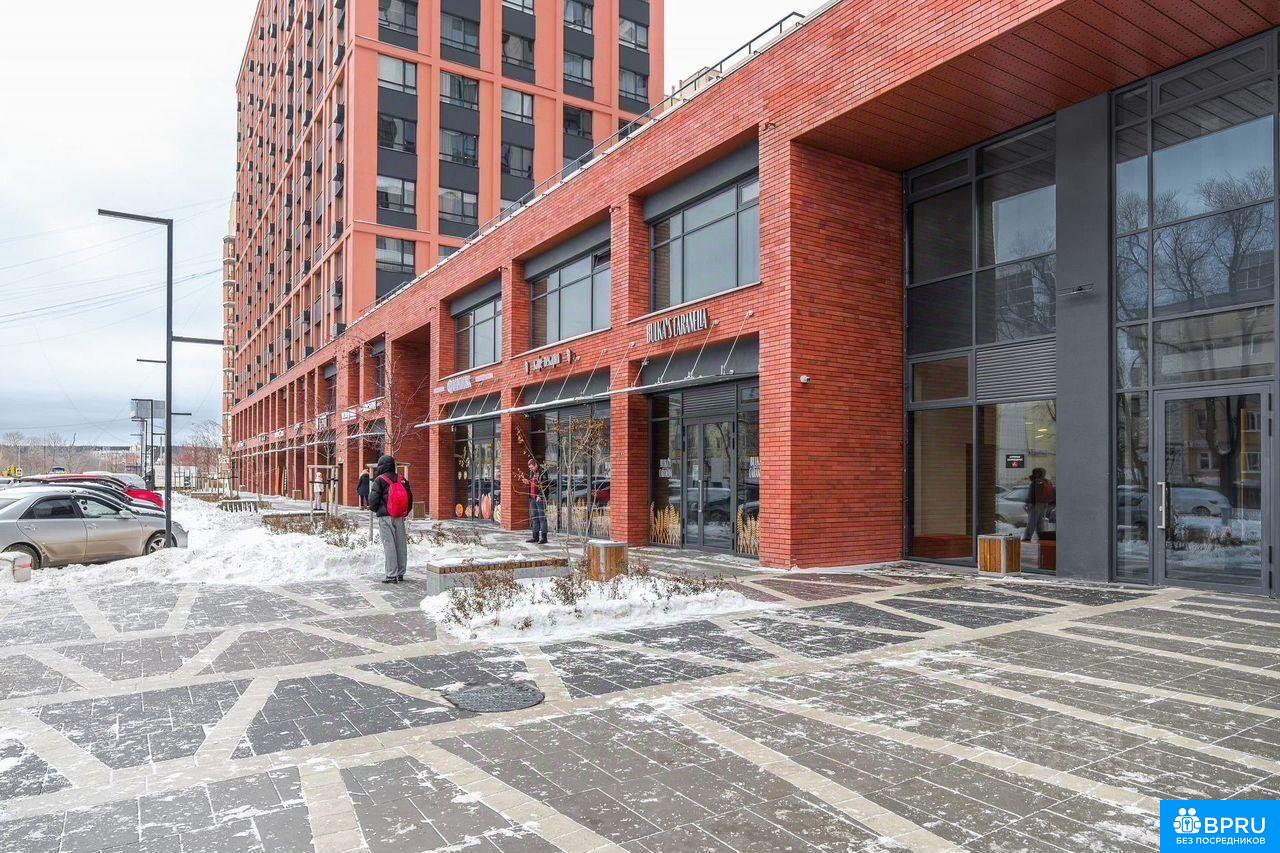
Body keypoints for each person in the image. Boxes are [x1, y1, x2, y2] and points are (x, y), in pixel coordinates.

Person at [367, 454, 412, 583]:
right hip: (399, 516)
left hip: (385, 516)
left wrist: (377, 510)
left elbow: (373, 501)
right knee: (401, 544)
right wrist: (404, 512)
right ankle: (401, 573)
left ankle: (391, 575)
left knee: (389, 544)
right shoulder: (402, 479)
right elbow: (410, 498)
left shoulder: (380, 480)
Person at [1023, 467, 1056, 542]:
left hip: (1036, 504)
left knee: (1032, 521)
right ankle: (1042, 536)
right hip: (1044, 503)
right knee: (1040, 522)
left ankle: (1027, 537)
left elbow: (1032, 494)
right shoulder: (1046, 481)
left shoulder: (1036, 482)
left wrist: (1027, 503)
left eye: (1035, 473)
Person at [520, 458, 548, 545]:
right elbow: (533, 484)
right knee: (534, 517)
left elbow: (544, 484)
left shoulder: (542, 471)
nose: (531, 469)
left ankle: (544, 537)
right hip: (532, 497)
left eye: (532, 467)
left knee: (542, 517)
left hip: (540, 498)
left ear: (536, 464)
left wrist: (540, 495)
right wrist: (527, 482)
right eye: (530, 468)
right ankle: (535, 536)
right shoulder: (532, 472)